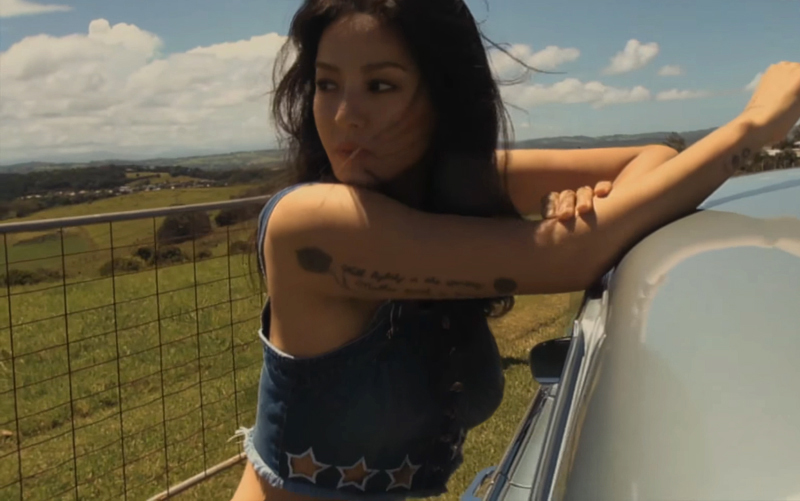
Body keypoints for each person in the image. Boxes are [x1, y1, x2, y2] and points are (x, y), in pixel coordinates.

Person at [230, 1, 800, 500]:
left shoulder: (443, 185)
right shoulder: (313, 223)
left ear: (443, 97)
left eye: (380, 86)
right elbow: (567, 256)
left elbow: (651, 159)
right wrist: (756, 124)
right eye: (327, 84)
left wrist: (593, 205)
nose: (344, 116)